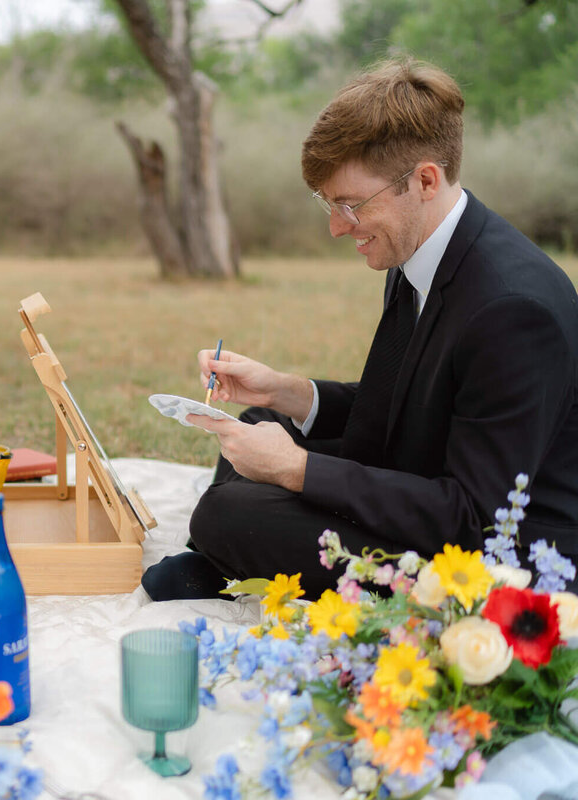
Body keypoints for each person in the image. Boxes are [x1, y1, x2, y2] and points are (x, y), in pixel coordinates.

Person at [142, 59, 578, 601]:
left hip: (497, 560)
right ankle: (229, 551)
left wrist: (297, 470)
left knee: (230, 509)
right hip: (432, 490)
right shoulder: (419, 254)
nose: (335, 226)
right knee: (262, 419)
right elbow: (400, 407)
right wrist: (287, 392)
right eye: (329, 203)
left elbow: (472, 517)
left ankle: (228, 548)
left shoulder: (512, 308)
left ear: (424, 180)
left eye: (350, 204)